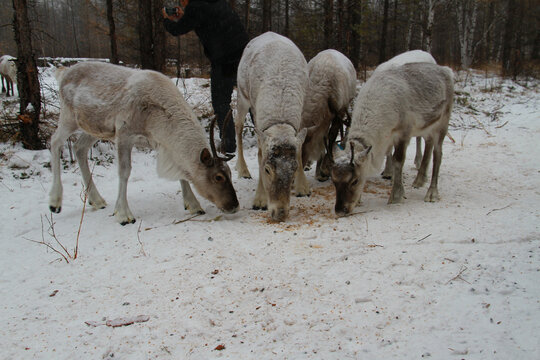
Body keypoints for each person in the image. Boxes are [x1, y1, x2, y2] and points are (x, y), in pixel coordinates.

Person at [163, 0, 249, 154]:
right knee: (252, 99)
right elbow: (205, 19)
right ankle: (267, 137)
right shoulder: (211, 3)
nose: (182, 3)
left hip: (224, 60)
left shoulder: (196, 6)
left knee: (221, 103)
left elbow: (177, 29)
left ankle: (228, 145)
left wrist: (166, 19)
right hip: (245, 53)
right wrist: (185, 15)